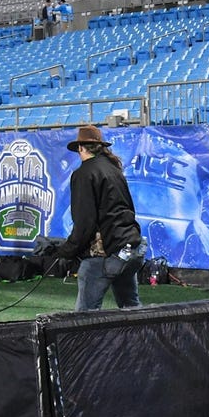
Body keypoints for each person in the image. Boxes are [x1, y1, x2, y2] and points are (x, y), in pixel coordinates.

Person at [57, 126, 144, 312]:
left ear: (81, 148)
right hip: (130, 248)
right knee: (132, 309)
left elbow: (85, 223)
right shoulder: (114, 170)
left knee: (85, 316)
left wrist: (67, 251)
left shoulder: (84, 173)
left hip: (106, 252)